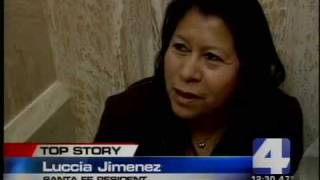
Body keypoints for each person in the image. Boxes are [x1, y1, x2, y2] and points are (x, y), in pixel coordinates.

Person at [95, 0, 303, 174]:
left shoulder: (276, 120)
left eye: (212, 57)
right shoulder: (125, 114)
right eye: (181, 48)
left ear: (246, 69)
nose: (187, 73)